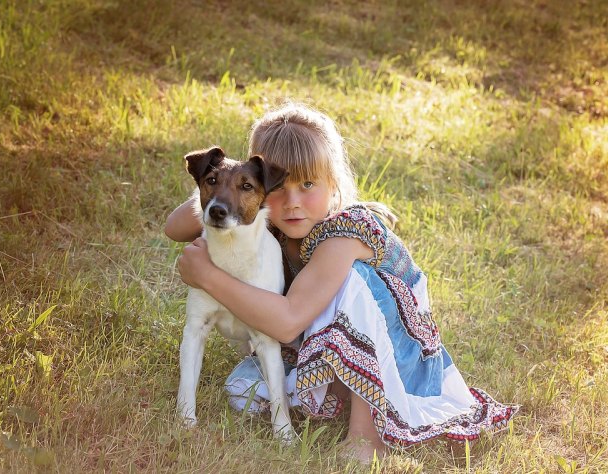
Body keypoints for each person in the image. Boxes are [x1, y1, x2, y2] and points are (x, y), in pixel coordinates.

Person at [166, 102, 517, 463]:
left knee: (354, 281)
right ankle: (341, 394)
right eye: (279, 186)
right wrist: (227, 178)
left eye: (307, 184)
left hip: (399, 355)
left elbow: (287, 323)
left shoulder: (344, 234)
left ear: (334, 183)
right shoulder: (264, 216)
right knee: (244, 390)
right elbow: (174, 228)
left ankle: (367, 437)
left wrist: (207, 276)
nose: (292, 202)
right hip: (323, 339)